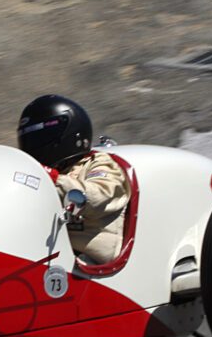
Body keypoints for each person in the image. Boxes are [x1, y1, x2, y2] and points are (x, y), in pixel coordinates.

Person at [16, 95, 131, 263]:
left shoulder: (99, 163)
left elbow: (99, 196)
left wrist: (54, 180)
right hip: (50, 256)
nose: (34, 145)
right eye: (28, 138)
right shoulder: (39, 176)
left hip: (90, 266)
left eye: (39, 138)